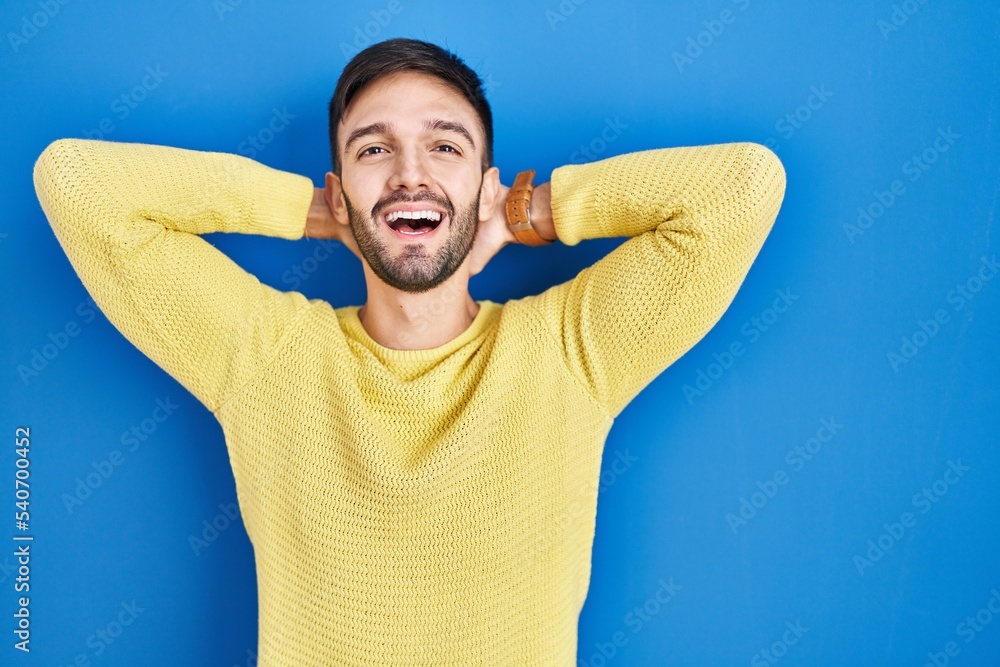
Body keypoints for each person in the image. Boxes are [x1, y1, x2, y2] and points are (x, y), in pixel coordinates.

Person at [33, 37, 786, 667]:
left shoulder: (570, 351)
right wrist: (307, 212)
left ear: (484, 184)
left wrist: (527, 211)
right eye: (374, 150)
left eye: (444, 145)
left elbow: (743, 187)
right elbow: (75, 182)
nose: (409, 173)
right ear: (340, 190)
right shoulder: (264, 355)